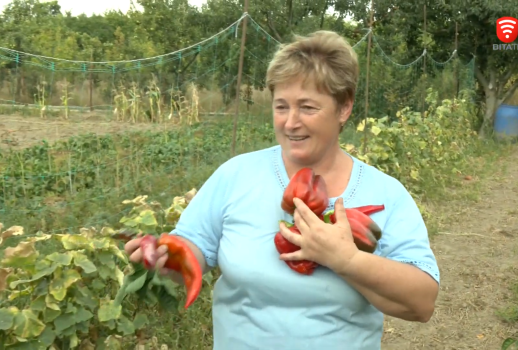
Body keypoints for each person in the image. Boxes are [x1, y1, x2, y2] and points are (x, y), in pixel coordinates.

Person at [124, 30, 440, 350]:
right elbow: (193, 251)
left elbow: (422, 303)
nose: (290, 122)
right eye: (281, 106)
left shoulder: (385, 193)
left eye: (307, 107)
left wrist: (345, 260)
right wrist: (168, 257)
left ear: (344, 108)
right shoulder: (236, 175)